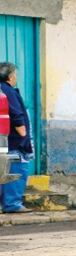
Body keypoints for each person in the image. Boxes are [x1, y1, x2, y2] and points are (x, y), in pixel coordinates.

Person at [0, 62, 32, 214]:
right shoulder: (8, 91)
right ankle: (12, 204)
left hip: (4, 139)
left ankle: (5, 203)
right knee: (17, 169)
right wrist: (22, 131)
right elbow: (14, 112)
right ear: (11, 76)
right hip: (13, 141)